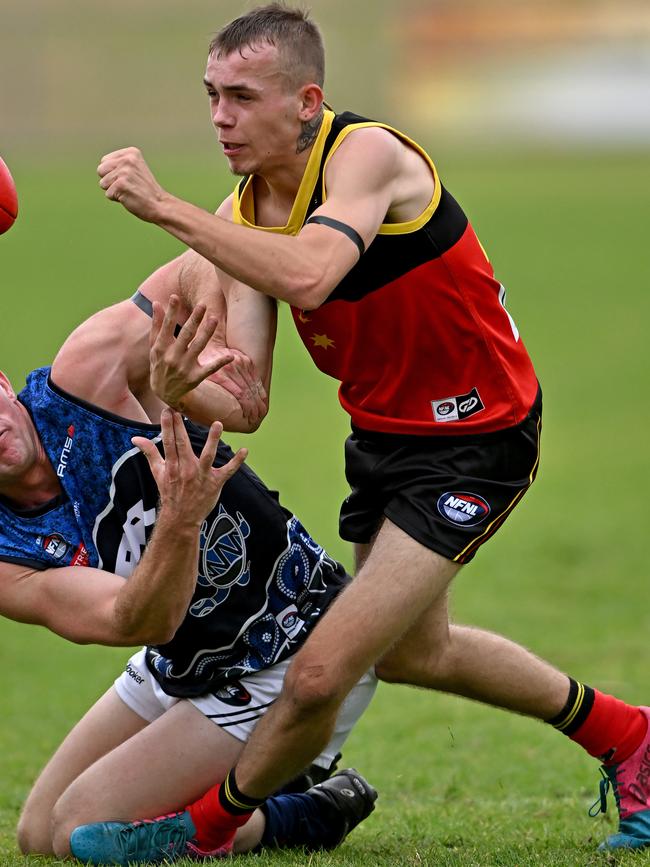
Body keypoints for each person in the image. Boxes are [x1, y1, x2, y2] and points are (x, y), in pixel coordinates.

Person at [87, 2, 650, 855]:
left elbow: (312, 275)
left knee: (319, 672)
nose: (220, 118)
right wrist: (178, 387)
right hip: (385, 441)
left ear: (307, 101)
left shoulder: (369, 155)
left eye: (241, 96)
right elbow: (247, 403)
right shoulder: (245, 213)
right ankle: (632, 735)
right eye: (211, 95)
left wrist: (166, 210)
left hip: (480, 436)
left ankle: (201, 832)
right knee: (416, 653)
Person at [1, 248, 377, 864]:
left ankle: (286, 792)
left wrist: (214, 371)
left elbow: (214, 253)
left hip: (292, 645)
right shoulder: (5, 552)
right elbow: (139, 622)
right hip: (182, 658)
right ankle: (291, 803)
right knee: (37, 834)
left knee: (77, 831)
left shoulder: (87, 374)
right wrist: (179, 517)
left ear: (2, 385)